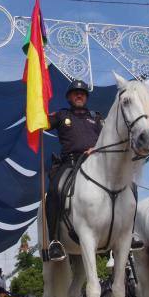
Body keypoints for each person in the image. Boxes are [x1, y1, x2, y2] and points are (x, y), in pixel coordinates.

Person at [44, 80, 104, 262]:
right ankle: (54, 240)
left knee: (127, 187)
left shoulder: (97, 117)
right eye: (76, 93)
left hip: (96, 163)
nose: (79, 95)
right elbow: (42, 124)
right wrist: (35, 106)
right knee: (54, 191)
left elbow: (108, 138)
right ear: (69, 97)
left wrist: (96, 148)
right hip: (70, 164)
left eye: (83, 93)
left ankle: (128, 233)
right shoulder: (62, 115)